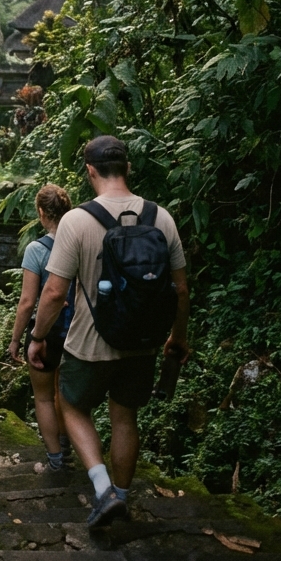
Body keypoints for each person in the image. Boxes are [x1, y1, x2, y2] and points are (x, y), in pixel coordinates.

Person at [27, 135, 190, 527]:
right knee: (125, 417)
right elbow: (181, 289)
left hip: (89, 343)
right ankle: (122, 496)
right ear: (127, 168)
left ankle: (102, 491)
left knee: (72, 406)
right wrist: (177, 337)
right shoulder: (161, 217)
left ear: (90, 171)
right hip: (142, 343)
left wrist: (37, 337)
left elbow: (54, 292)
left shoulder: (77, 220)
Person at [8, 184, 74, 472]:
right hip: (78, 332)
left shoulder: (37, 249)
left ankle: (55, 461)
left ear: (41, 213)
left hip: (46, 333)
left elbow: (27, 302)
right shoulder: (81, 244)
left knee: (44, 397)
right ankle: (69, 450)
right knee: (67, 396)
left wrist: (15, 340)